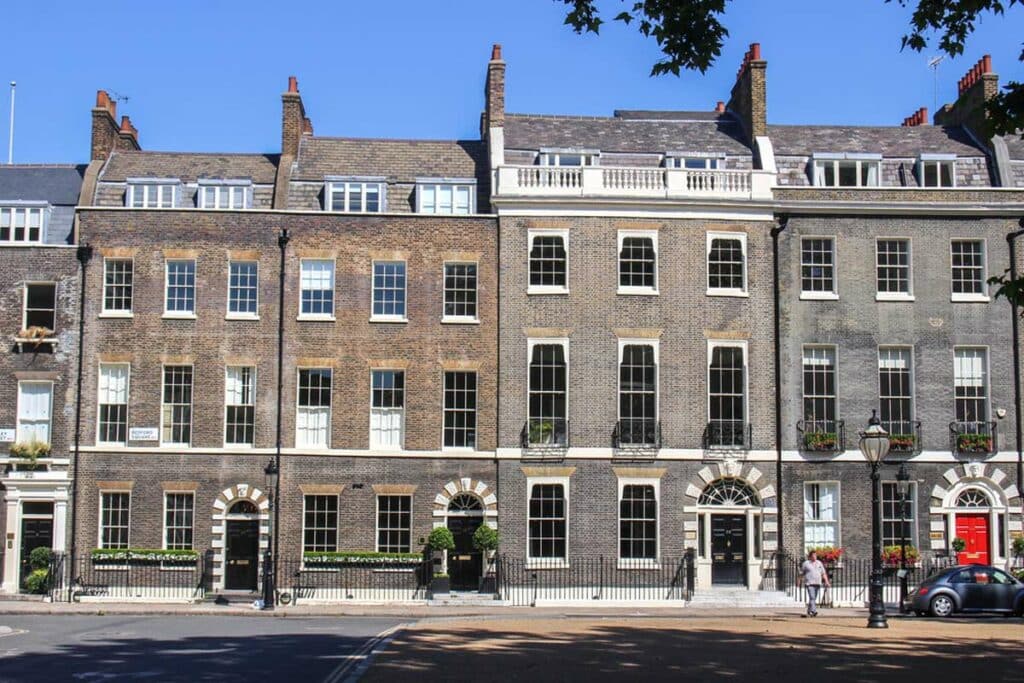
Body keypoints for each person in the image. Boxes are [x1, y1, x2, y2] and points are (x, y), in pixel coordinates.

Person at [799, 549, 830, 617]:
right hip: (809, 583)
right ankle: (814, 611)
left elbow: (823, 573)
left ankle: (809, 611)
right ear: (810, 557)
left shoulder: (819, 563)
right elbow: (801, 573)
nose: (814, 557)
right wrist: (799, 581)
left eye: (815, 555)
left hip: (817, 583)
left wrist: (827, 581)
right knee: (812, 597)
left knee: (813, 599)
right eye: (813, 556)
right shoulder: (806, 563)